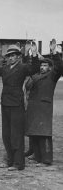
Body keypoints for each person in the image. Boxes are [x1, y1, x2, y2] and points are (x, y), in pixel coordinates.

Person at [0, 43, 40, 171]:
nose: (11, 58)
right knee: (6, 135)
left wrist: (34, 54)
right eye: (9, 56)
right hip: (5, 103)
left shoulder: (23, 67)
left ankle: (19, 163)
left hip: (17, 104)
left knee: (16, 135)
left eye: (14, 55)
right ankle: (10, 160)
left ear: (18, 56)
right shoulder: (5, 68)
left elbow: (35, 68)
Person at [25, 39, 63, 167]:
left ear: (50, 67)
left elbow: (59, 67)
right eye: (41, 65)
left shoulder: (53, 76)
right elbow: (32, 73)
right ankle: (37, 156)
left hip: (44, 108)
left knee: (44, 133)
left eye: (45, 65)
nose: (42, 67)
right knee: (35, 132)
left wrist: (54, 52)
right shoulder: (35, 76)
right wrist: (34, 54)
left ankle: (46, 159)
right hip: (34, 107)